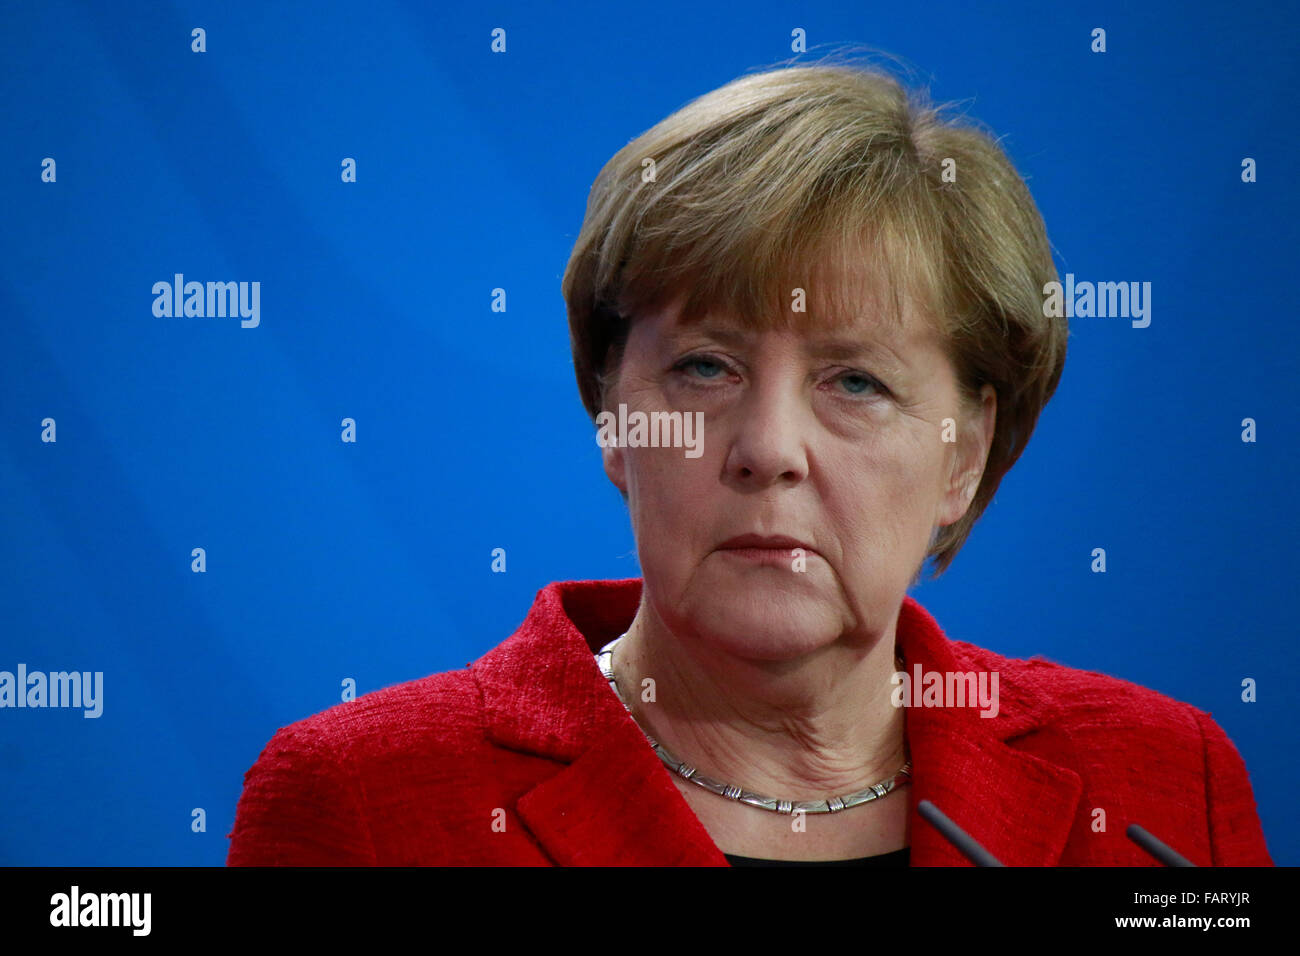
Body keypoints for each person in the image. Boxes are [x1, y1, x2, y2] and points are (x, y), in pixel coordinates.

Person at [226, 61, 1272, 866]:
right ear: (612, 420)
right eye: (705, 366)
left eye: (854, 382)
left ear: (965, 453)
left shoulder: (1163, 784)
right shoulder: (360, 804)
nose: (768, 449)